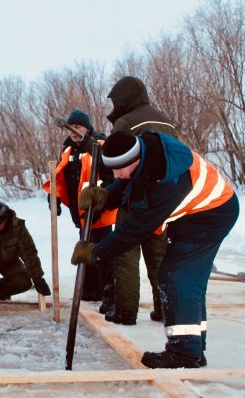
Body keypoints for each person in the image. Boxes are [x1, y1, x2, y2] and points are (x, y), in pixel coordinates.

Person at [71, 130, 239, 368]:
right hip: (196, 213)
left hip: (211, 215)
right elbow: (132, 181)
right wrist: (106, 196)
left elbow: (134, 230)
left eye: (119, 170)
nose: (116, 175)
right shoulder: (146, 152)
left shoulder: (165, 181)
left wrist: (97, 252)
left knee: (177, 276)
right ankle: (193, 347)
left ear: (134, 161)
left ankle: (184, 353)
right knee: (184, 278)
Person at [104, 76, 178, 325]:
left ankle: (126, 312)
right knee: (159, 257)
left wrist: (109, 193)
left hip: (133, 199)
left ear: (124, 98)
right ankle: (164, 309)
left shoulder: (126, 122)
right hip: (164, 201)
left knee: (125, 255)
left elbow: (118, 163)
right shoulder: (164, 118)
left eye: (115, 100)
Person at [43, 110, 116, 314]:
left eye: (78, 127)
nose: (74, 131)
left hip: (99, 209)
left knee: (103, 250)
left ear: (87, 128)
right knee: (85, 248)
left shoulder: (99, 146)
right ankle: (90, 290)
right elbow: (58, 176)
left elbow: (110, 173)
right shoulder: (67, 150)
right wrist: (54, 198)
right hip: (80, 212)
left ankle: (109, 295)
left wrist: (102, 202)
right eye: (71, 127)